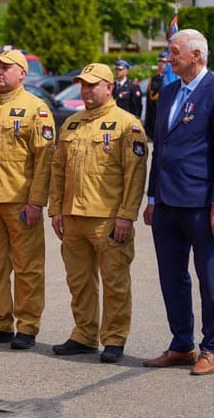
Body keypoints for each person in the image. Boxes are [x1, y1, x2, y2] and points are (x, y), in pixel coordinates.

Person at [143, 29, 214, 376]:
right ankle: (182, 344)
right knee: (172, 277)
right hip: (167, 203)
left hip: (201, 205)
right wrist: (152, 197)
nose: (170, 58)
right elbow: (161, 149)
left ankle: (211, 348)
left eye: (175, 52)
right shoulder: (168, 92)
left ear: (196, 55)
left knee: (209, 278)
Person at [49, 63, 148, 363]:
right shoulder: (72, 124)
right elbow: (57, 170)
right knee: (79, 281)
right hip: (73, 217)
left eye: (93, 85)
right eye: (83, 84)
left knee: (115, 282)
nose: (87, 90)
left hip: (108, 218)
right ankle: (84, 334)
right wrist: (55, 210)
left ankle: (114, 339)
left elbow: (135, 174)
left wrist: (126, 216)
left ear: (109, 87)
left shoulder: (126, 125)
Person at [0, 50, 56, 349]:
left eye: (6, 67)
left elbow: (45, 161)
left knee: (28, 267)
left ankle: (28, 326)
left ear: (22, 73)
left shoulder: (36, 109)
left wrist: (36, 202)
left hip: (20, 201)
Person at [145, 52, 167, 139]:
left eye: (164, 62)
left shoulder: (175, 78)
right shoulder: (153, 79)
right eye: (160, 61)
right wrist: (148, 125)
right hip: (156, 119)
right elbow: (149, 104)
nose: (161, 64)